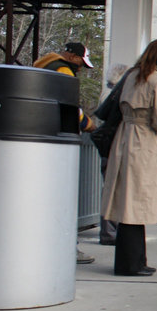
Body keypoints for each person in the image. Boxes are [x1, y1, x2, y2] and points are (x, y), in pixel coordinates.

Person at [100, 39, 157, 276]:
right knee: (137, 202)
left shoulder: (131, 76)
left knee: (126, 200)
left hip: (124, 138)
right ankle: (131, 264)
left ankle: (134, 260)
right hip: (144, 142)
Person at [36, 41, 97, 264]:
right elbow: (69, 107)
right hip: (58, 142)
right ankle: (66, 248)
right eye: (81, 63)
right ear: (72, 57)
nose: (80, 69)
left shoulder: (43, 67)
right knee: (63, 199)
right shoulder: (63, 70)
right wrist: (87, 123)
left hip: (42, 139)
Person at [97, 63, 129, 245]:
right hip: (114, 147)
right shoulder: (117, 98)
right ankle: (110, 232)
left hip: (107, 147)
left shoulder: (106, 95)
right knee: (113, 190)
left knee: (110, 189)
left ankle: (110, 231)